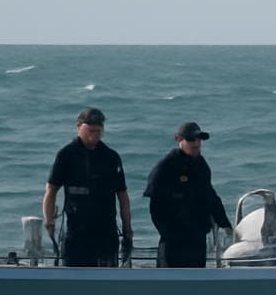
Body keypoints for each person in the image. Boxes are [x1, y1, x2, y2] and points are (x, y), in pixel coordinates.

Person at [42, 107, 132, 267]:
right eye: (90, 130)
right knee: (74, 278)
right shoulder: (66, 155)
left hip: (106, 230)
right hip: (77, 231)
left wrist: (127, 230)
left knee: (108, 279)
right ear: (79, 128)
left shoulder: (110, 157)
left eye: (98, 131)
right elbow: (51, 190)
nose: (95, 135)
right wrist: (49, 221)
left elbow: (123, 196)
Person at [145, 121, 233, 268]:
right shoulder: (166, 166)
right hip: (173, 243)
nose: (196, 143)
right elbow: (155, 209)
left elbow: (210, 197)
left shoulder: (201, 164)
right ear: (178, 139)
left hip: (197, 239)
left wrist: (225, 224)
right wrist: (169, 234)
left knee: (198, 283)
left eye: (199, 139)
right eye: (191, 139)